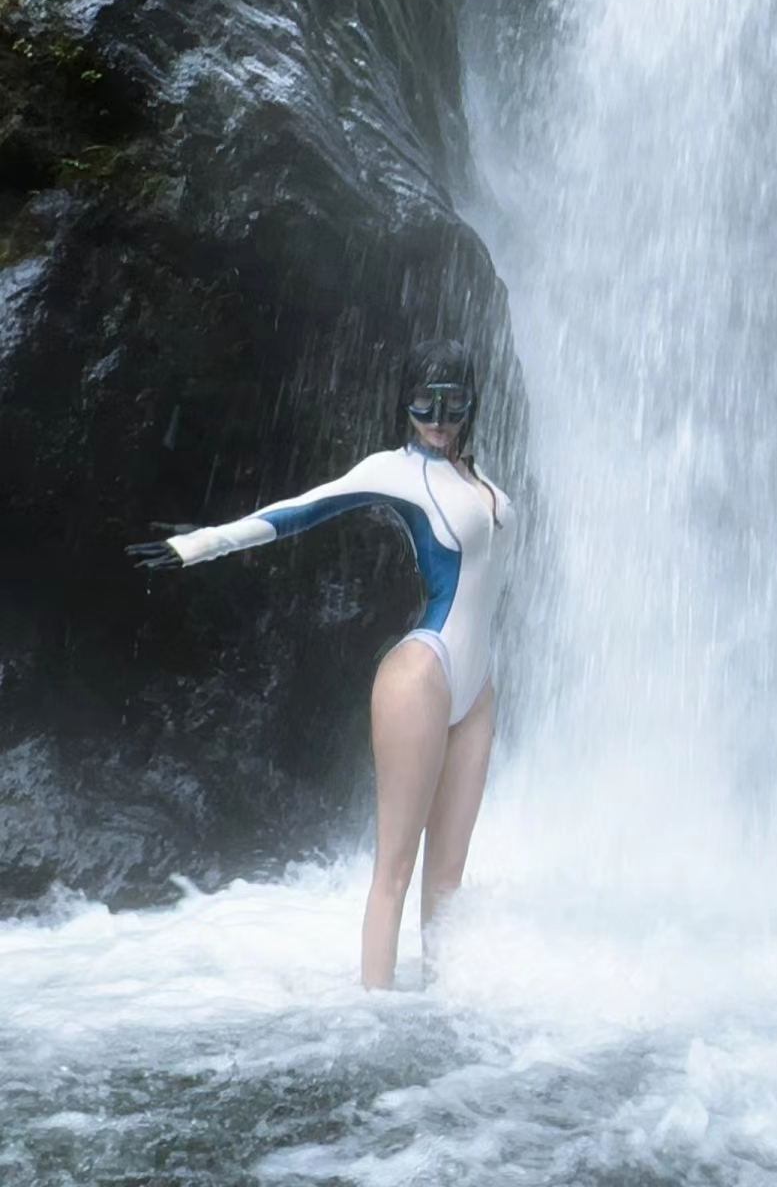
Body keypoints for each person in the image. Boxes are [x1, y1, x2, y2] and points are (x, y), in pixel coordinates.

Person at [126, 337, 514, 989]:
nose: (438, 418)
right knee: (394, 870)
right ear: (404, 402)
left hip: (478, 690)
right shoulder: (395, 470)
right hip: (424, 673)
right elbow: (302, 509)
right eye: (424, 403)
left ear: (472, 402)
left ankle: (443, 1022)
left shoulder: (480, 481)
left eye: (453, 403)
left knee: (447, 880)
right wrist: (199, 545)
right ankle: (372, 1021)